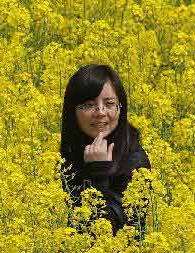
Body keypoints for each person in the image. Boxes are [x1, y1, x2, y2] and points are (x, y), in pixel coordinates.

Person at [59, 64, 151, 238]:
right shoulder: (68, 154)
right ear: (72, 112)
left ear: (120, 109)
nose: (100, 112)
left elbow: (110, 235)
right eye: (88, 105)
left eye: (109, 104)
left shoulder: (135, 162)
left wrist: (99, 173)